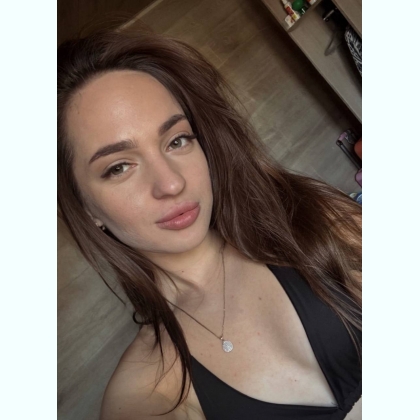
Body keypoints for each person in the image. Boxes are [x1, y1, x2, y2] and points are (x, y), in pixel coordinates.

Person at [57, 27, 362, 420]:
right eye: (118, 167)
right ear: (86, 209)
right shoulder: (145, 393)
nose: (171, 183)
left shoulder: (316, 219)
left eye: (177, 140)